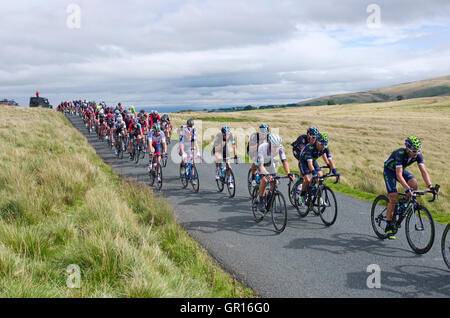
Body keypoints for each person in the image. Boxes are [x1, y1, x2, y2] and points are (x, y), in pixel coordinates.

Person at [383, 136, 438, 239]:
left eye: (418, 150)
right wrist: (407, 188)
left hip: (399, 170)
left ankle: (402, 203)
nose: (416, 153)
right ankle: (388, 225)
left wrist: (430, 186)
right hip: (389, 171)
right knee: (393, 197)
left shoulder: (418, 155)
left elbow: (423, 171)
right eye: (413, 151)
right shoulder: (400, 154)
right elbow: (399, 175)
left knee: (414, 185)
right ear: (407, 149)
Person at [298, 132, 338, 207]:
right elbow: (309, 164)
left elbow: (330, 161)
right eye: (322, 144)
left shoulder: (325, 148)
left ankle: (316, 194)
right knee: (308, 179)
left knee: (320, 176)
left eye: (325, 144)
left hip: (312, 161)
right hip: (304, 162)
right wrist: (314, 173)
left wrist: (335, 172)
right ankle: (302, 196)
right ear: (317, 142)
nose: (323, 146)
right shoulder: (309, 148)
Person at [256, 134, 294, 212]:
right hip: (261, 164)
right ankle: (261, 202)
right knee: (265, 180)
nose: (276, 148)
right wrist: (267, 175)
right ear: (270, 144)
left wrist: (289, 173)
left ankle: (269, 198)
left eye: (277, 146)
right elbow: (261, 166)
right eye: (274, 146)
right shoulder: (262, 148)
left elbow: (284, 162)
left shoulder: (280, 148)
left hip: (270, 163)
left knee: (275, 182)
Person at [179, 119, 201, 185]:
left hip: (189, 146)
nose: (191, 127)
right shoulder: (183, 131)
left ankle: (193, 178)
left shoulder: (193, 131)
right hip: (183, 146)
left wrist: (198, 152)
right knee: (184, 159)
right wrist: (183, 153)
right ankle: (182, 167)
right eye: (189, 126)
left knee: (192, 163)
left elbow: (195, 143)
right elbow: (181, 144)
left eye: (191, 126)